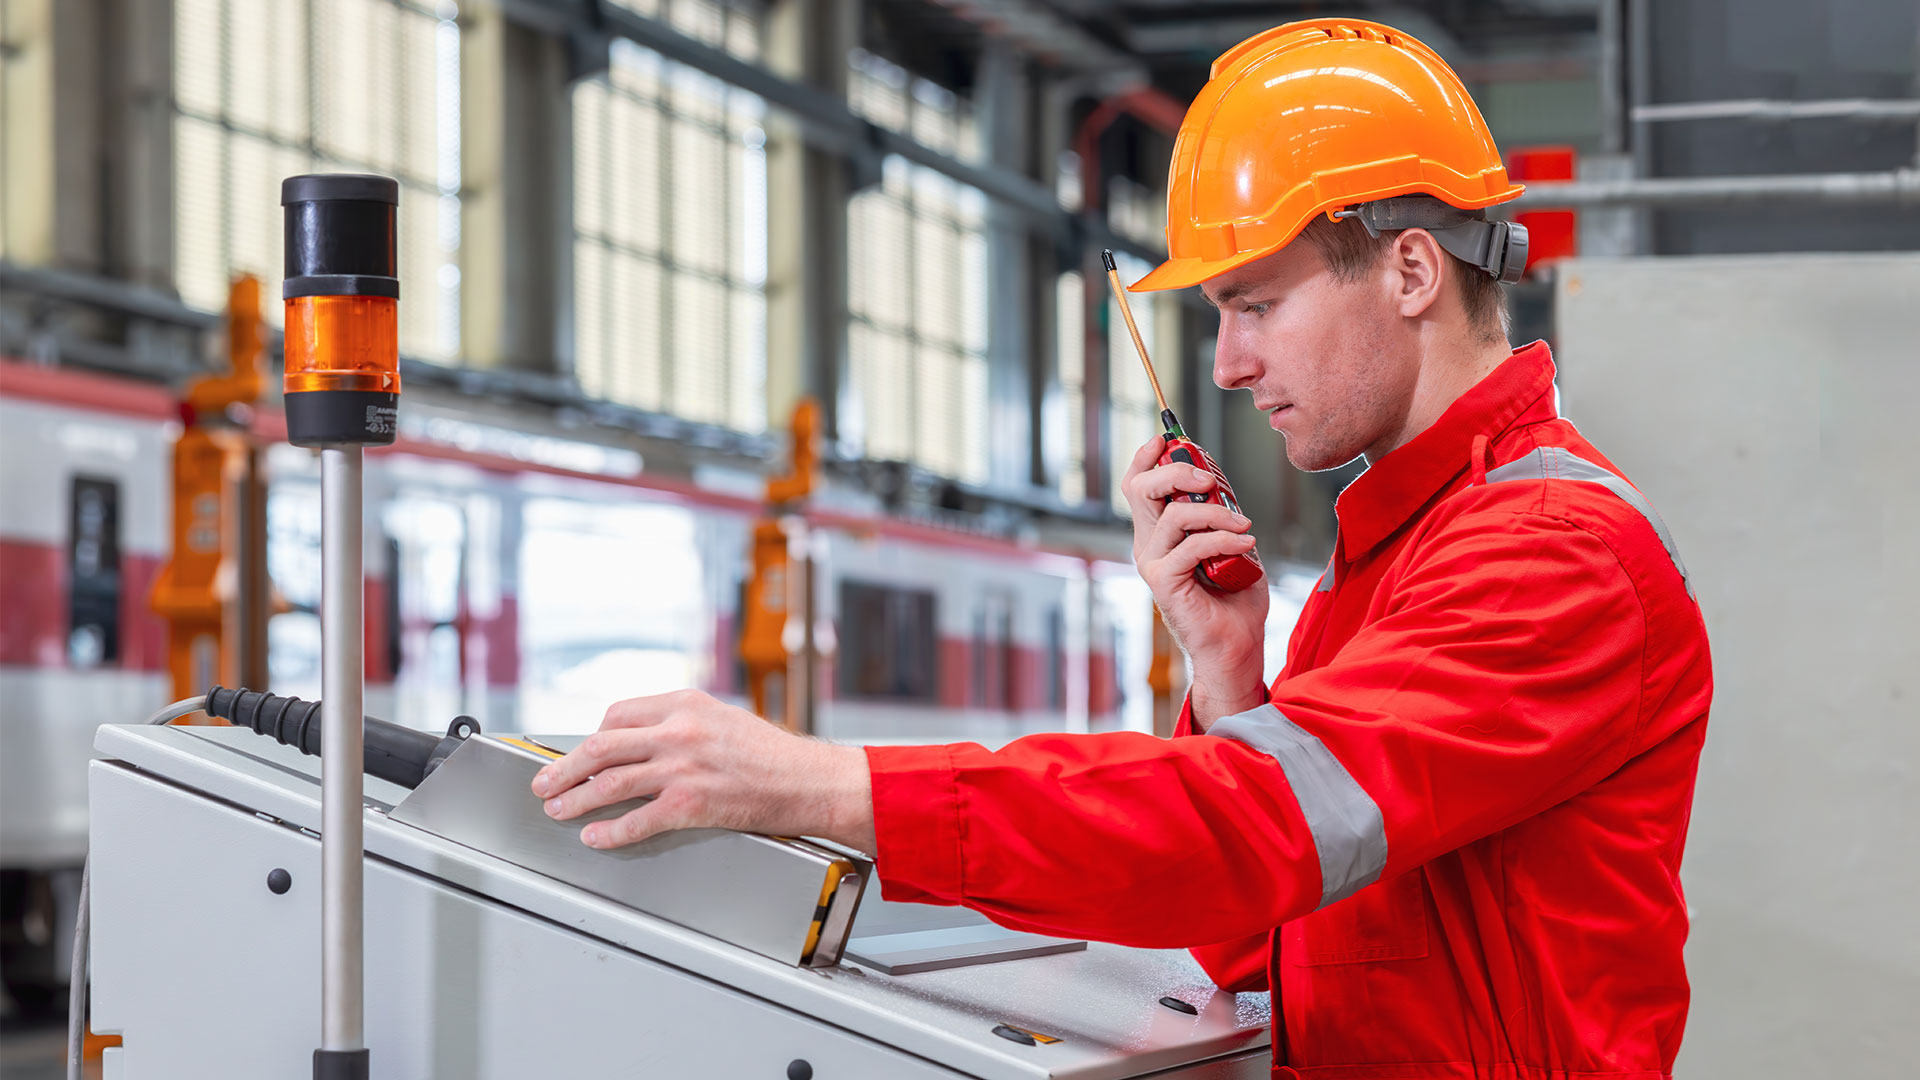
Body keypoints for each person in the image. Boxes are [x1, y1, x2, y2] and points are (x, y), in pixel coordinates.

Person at [530, 19, 1712, 1080]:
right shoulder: (1403, 550)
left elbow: (1245, 833)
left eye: (1255, 304)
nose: (1229, 369)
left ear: (1410, 269)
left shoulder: (1552, 553)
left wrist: (820, 784)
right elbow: (1251, 936)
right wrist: (1229, 673)